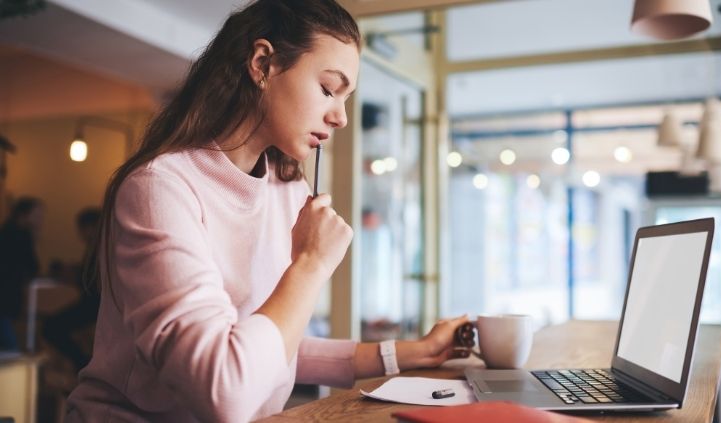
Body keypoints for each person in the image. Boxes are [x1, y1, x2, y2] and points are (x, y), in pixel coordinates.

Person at [65, 1, 470, 421]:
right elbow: (221, 389)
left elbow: (272, 347)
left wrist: (413, 352)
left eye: (346, 98)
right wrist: (310, 265)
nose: (341, 117)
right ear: (262, 64)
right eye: (329, 89)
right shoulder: (160, 188)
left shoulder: (286, 189)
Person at [42, 207, 102, 371]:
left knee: (50, 327)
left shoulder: (99, 247)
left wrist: (72, 275)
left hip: (95, 305)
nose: (80, 234)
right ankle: (82, 362)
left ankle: (82, 363)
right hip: (95, 304)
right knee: (51, 325)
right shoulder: (98, 246)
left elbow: (90, 281)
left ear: (90, 227)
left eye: (81, 229)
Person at [0, 196, 44, 350]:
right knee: (9, 342)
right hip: (7, 292)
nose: (41, 219)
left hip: (7, 292)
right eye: (37, 214)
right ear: (23, 214)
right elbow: (33, 266)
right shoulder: (21, 235)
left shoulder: (7, 230)